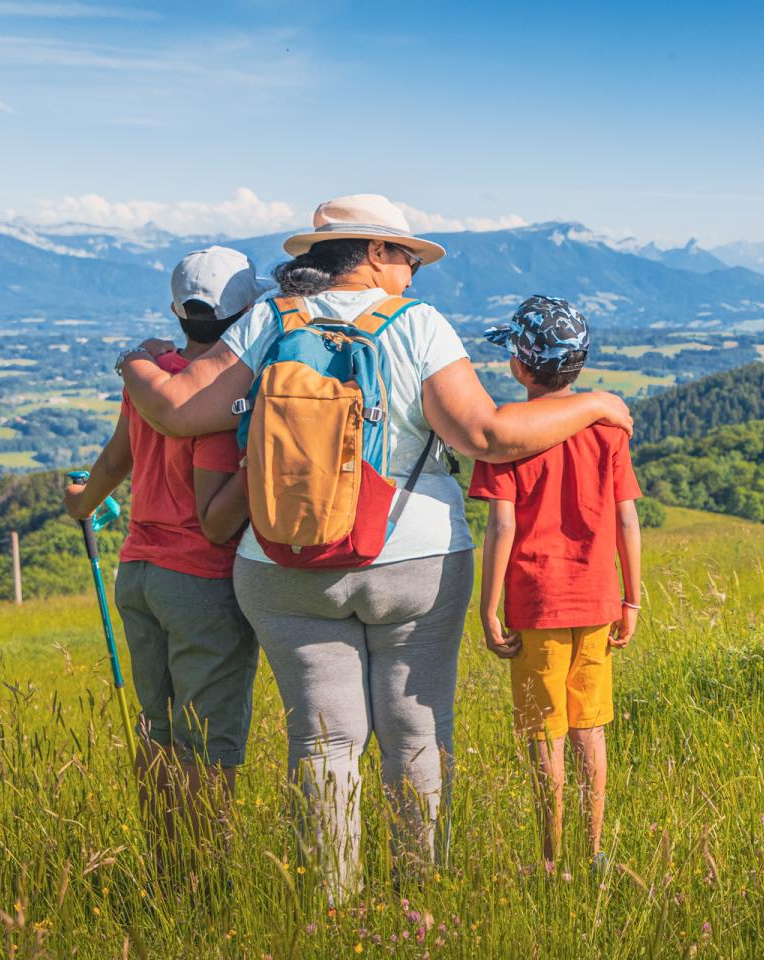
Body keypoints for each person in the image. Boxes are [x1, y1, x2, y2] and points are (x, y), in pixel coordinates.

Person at [113, 194, 633, 902]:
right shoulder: (418, 325)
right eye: (407, 257)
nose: (414, 273)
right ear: (376, 254)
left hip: (283, 563)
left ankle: (330, 906)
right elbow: (487, 436)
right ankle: (417, 898)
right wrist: (600, 404)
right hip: (413, 557)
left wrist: (134, 365)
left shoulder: (270, 319)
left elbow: (177, 410)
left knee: (323, 744)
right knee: (414, 731)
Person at [63, 246, 267, 874]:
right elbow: (221, 504)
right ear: (248, 313)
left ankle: (168, 865)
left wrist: (83, 501)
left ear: (178, 313)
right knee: (210, 744)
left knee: (158, 732)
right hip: (199, 579)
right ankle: (206, 879)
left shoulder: (156, 379)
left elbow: (119, 456)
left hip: (140, 575)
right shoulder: (219, 395)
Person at [469, 296, 642, 876]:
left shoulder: (507, 434)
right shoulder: (607, 431)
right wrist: (632, 597)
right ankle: (592, 853)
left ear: (520, 365)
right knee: (589, 729)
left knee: (544, 734)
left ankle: (549, 859)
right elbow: (625, 518)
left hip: (535, 601)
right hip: (596, 599)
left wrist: (488, 607)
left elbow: (501, 524)